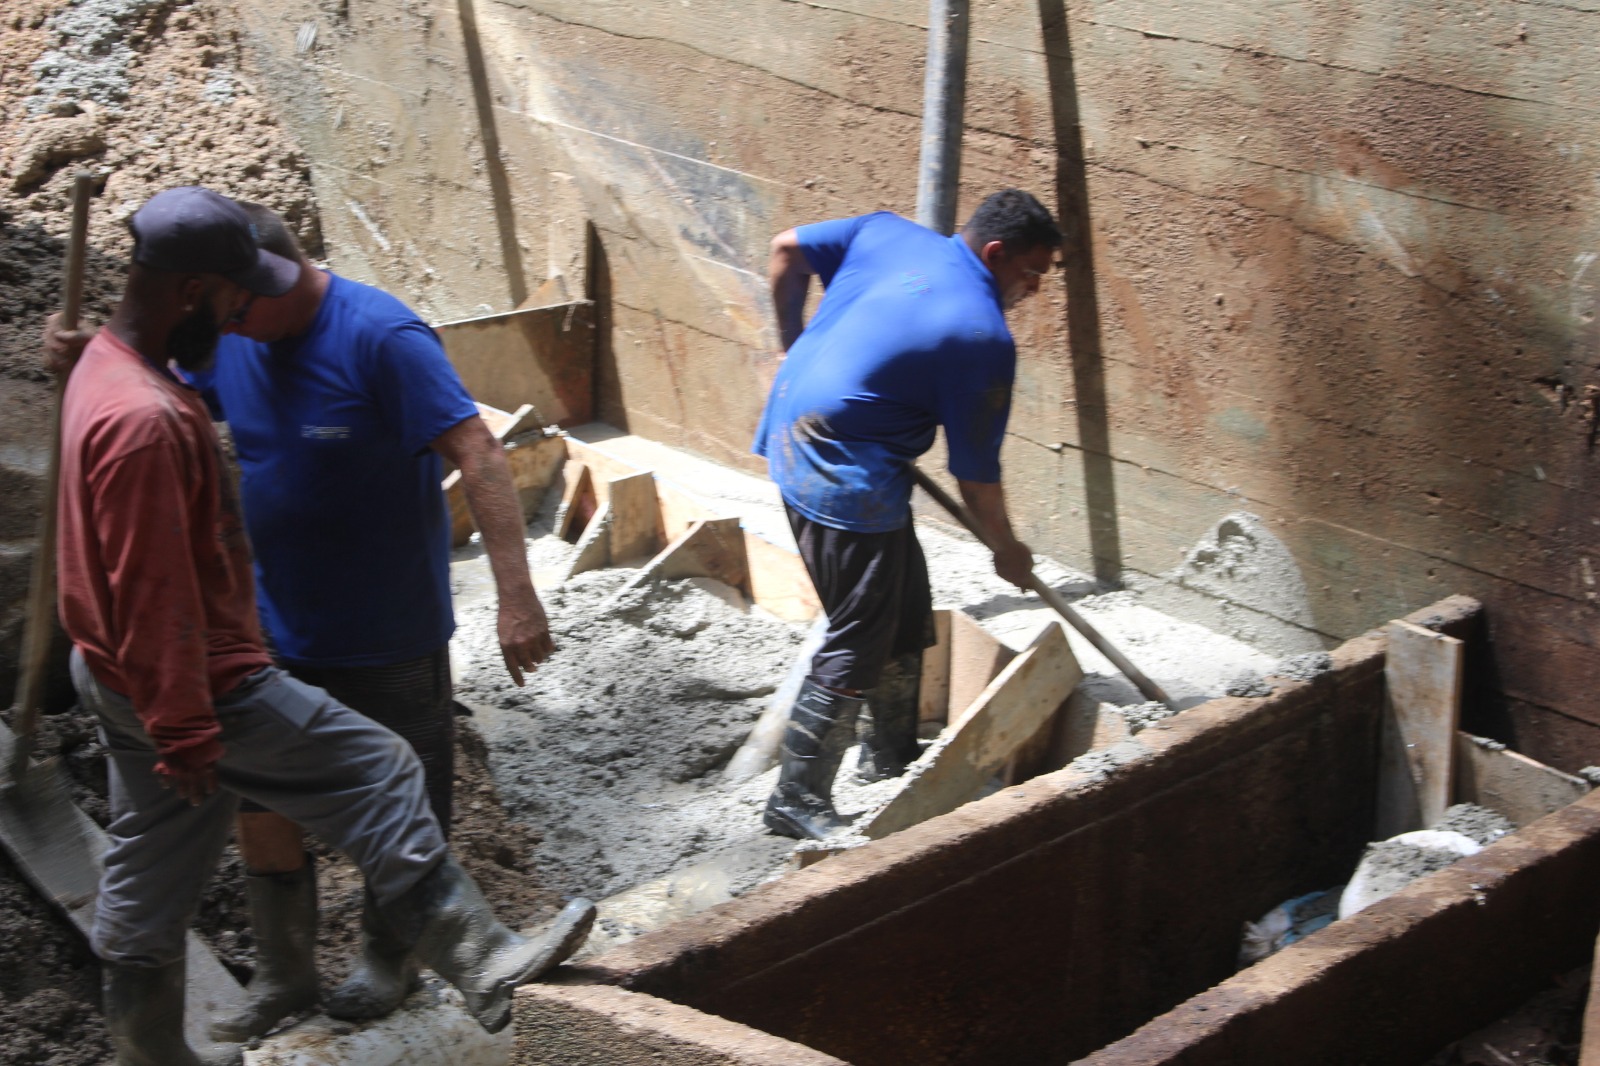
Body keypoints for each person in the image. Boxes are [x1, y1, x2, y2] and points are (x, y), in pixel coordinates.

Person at [55, 186, 594, 1065]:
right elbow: (152, 580)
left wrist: (516, 596)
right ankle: (392, 968)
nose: (233, 318)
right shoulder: (172, 388)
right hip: (224, 654)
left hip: (367, 631)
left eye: (244, 300)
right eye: (229, 296)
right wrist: (186, 717)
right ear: (201, 291)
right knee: (336, 788)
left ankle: (372, 970)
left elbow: (478, 451)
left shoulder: (374, 336)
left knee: (193, 844)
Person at [752, 189, 1060, 840]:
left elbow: (786, 250)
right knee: (859, 633)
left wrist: (790, 350)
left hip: (806, 422)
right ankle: (795, 798)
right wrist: (1006, 547)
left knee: (907, 603)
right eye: (1031, 274)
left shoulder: (885, 231)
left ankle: (887, 754)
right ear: (996, 253)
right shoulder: (981, 334)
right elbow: (976, 477)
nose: (1032, 291)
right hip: (835, 465)